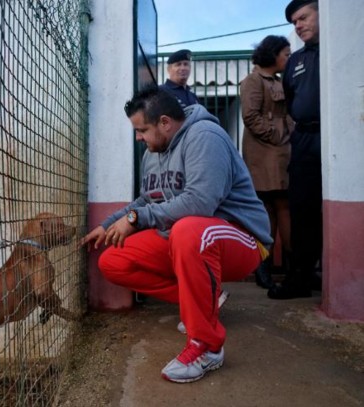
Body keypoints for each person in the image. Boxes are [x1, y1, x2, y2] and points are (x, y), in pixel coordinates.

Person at [80, 86, 272, 383]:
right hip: (189, 240)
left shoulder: (205, 137)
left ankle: (206, 346)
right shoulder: (152, 153)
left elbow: (200, 202)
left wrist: (137, 219)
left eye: (142, 129)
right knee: (113, 261)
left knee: (186, 229)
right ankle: (207, 299)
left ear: (165, 122)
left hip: (240, 237)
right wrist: (108, 224)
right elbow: (146, 201)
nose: (138, 138)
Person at [268, 0, 322, 300]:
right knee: (302, 208)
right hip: (304, 139)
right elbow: (291, 99)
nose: (298, 26)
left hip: (338, 136)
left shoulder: (341, 49)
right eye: (294, 22)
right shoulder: (296, 61)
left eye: (302, 18)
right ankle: (301, 277)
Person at [240, 35, 294, 289]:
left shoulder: (279, 80)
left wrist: (285, 133)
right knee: (269, 208)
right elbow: (250, 116)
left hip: (279, 150)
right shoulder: (253, 80)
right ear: (273, 54)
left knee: (282, 204)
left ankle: (289, 266)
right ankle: (264, 265)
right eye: (285, 53)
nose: (288, 58)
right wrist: (277, 134)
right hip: (263, 152)